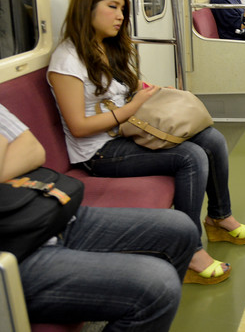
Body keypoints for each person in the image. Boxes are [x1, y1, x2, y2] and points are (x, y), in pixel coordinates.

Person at [47, 0, 245, 285]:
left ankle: (219, 216)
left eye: (123, 9)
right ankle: (188, 249)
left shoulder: (106, 47)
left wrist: (151, 92)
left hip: (125, 131)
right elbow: (78, 127)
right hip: (98, 151)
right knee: (190, 157)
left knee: (210, 138)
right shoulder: (67, 60)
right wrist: (132, 108)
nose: (120, 16)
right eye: (112, 7)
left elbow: (123, 92)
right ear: (87, 7)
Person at [1, 104, 196, 330]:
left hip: (45, 216)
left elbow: (32, 149)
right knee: (158, 285)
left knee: (180, 229)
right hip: (13, 254)